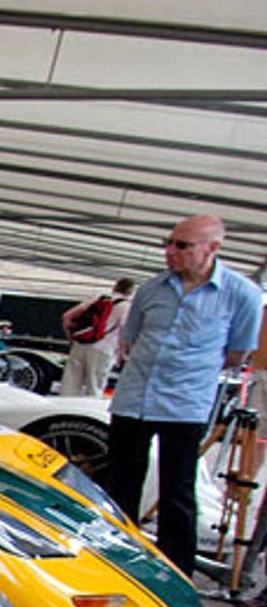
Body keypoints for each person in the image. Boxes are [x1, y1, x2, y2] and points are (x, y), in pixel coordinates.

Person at [105, 214, 263, 578]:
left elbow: (237, 352)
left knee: (178, 491)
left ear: (212, 249)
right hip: (134, 397)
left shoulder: (241, 294)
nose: (171, 252)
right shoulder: (151, 289)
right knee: (120, 483)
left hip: (184, 403)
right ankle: (114, 560)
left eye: (182, 245)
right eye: (169, 243)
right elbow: (132, 338)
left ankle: (176, 573)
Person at [58, 277, 135, 398]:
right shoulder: (126, 306)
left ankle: (63, 411)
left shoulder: (99, 298)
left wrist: (71, 340)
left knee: (69, 386)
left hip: (80, 344)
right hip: (103, 349)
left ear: (115, 286)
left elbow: (66, 316)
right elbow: (123, 331)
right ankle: (89, 413)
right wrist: (122, 353)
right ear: (131, 292)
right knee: (94, 387)